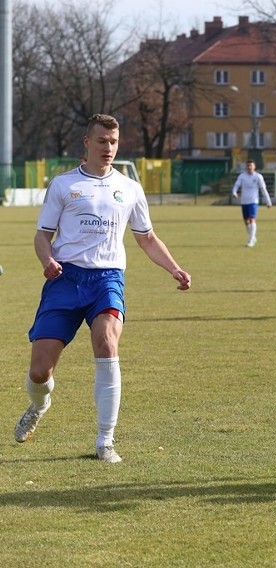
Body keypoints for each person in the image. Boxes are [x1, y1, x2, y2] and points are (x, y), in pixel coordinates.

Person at [14, 113, 192, 463]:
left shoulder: (129, 188)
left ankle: (105, 440)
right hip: (64, 279)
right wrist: (47, 261)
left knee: (107, 343)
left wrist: (174, 268)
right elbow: (42, 236)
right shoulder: (64, 185)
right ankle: (40, 403)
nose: (108, 148)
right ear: (87, 142)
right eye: (101, 141)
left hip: (107, 278)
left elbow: (147, 238)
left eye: (113, 142)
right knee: (40, 372)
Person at [231, 159, 272, 247]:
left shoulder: (258, 177)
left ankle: (251, 240)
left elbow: (263, 189)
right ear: (246, 167)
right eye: (248, 166)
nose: (249, 167)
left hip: (253, 201)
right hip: (244, 201)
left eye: (251, 166)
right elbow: (236, 185)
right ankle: (252, 237)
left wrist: (268, 201)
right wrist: (234, 192)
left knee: (252, 219)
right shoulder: (242, 176)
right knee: (246, 221)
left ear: (254, 167)